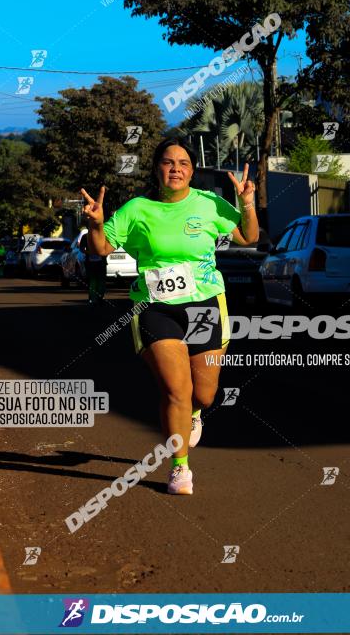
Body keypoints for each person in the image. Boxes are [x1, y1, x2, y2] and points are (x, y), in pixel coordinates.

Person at [81, 137, 259, 496]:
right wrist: (97, 224)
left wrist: (247, 203)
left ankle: (194, 415)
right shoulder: (136, 209)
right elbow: (101, 249)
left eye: (183, 163)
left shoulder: (210, 204)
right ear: (156, 168)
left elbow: (248, 236)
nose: (175, 168)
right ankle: (180, 468)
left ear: (192, 171)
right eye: (167, 162)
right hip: (154, 306)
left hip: (206, 303)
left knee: (204, 395)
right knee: (176, 390)